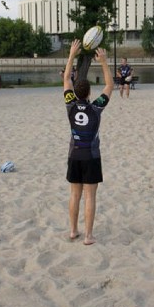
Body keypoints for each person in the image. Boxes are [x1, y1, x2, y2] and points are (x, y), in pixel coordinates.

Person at [63, 40, 114, 245]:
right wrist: (103, 62)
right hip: (91, 157)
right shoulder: (96, 108)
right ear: (90, 93)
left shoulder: (70, 104)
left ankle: (74, 230)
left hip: (74, 155)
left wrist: (72, 55)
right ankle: (88, 236)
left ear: (75, 93)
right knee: (90, 196)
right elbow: (110, 85)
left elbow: (67, 77)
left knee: (75, 195)